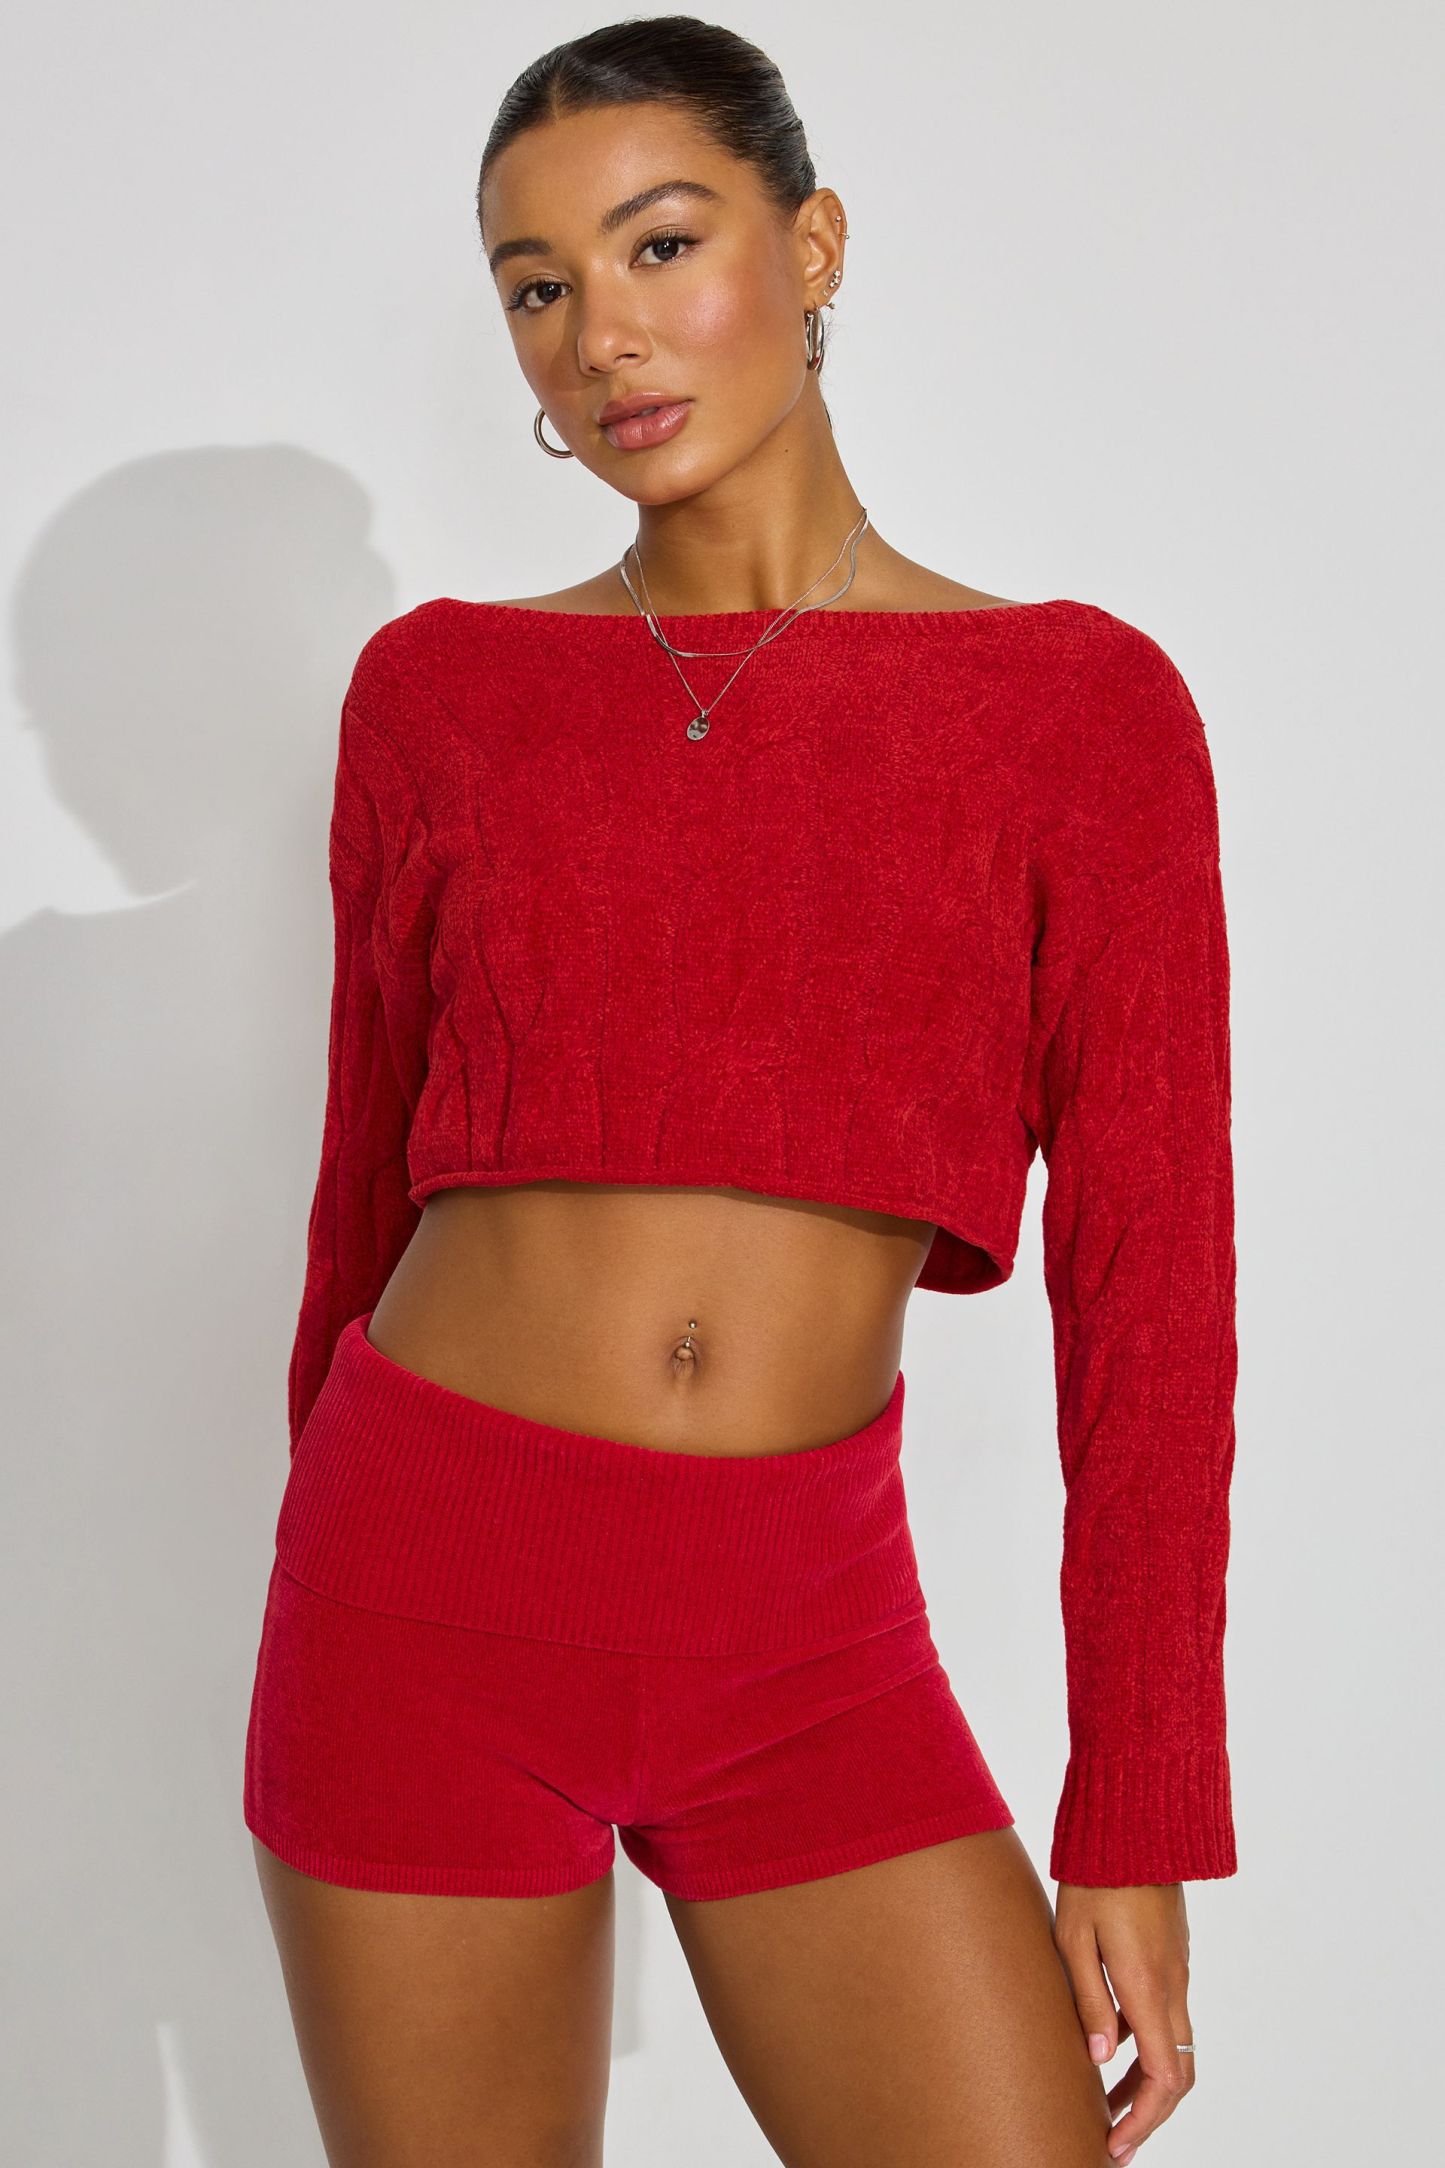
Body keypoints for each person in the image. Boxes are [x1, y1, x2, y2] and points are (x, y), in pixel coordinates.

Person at [242, 17, 1238, 2166]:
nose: (599, 334)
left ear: (813, 243)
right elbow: (359, 1197)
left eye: (660, 243)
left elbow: (1155, 1298)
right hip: (421, 1597)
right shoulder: (442, 695)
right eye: (535, 284)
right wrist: (324, 1565)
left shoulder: (1078, 710)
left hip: (809, 1640)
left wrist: (1137, 1810)